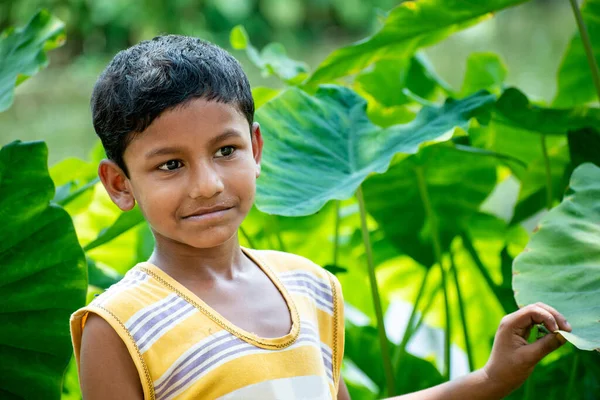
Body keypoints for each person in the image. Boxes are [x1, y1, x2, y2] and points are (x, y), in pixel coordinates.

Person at [69, 35, 572, 400]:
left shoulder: (310, 286)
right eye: (171, 165)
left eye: (225, 150)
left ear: (257, 148)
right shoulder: (118, 327)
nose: (208, 184)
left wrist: (490, 379)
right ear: (120, 184)